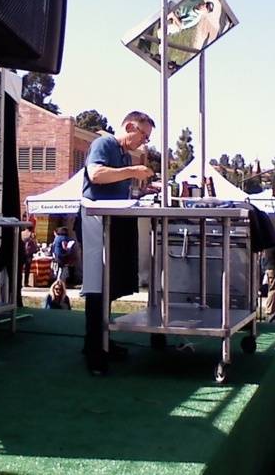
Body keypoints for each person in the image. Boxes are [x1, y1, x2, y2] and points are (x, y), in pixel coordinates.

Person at [81, 110, 156, 375]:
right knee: (97, 285)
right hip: (95, 222)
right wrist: (132, 171)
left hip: (113, 221)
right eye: (144, 135)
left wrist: (142, 190)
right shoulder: (104, 144)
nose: (144, 142)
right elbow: (96, 174)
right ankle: (94, 351)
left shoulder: (124, 154)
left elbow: (116, 184)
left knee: (109, 285)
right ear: (130, 127)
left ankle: (101, 340)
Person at [263, 228, 275, 318]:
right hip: (274, 270)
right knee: (274, 291)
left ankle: (272, 311)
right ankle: (270, 311)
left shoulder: (270, 244)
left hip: (271, 269)